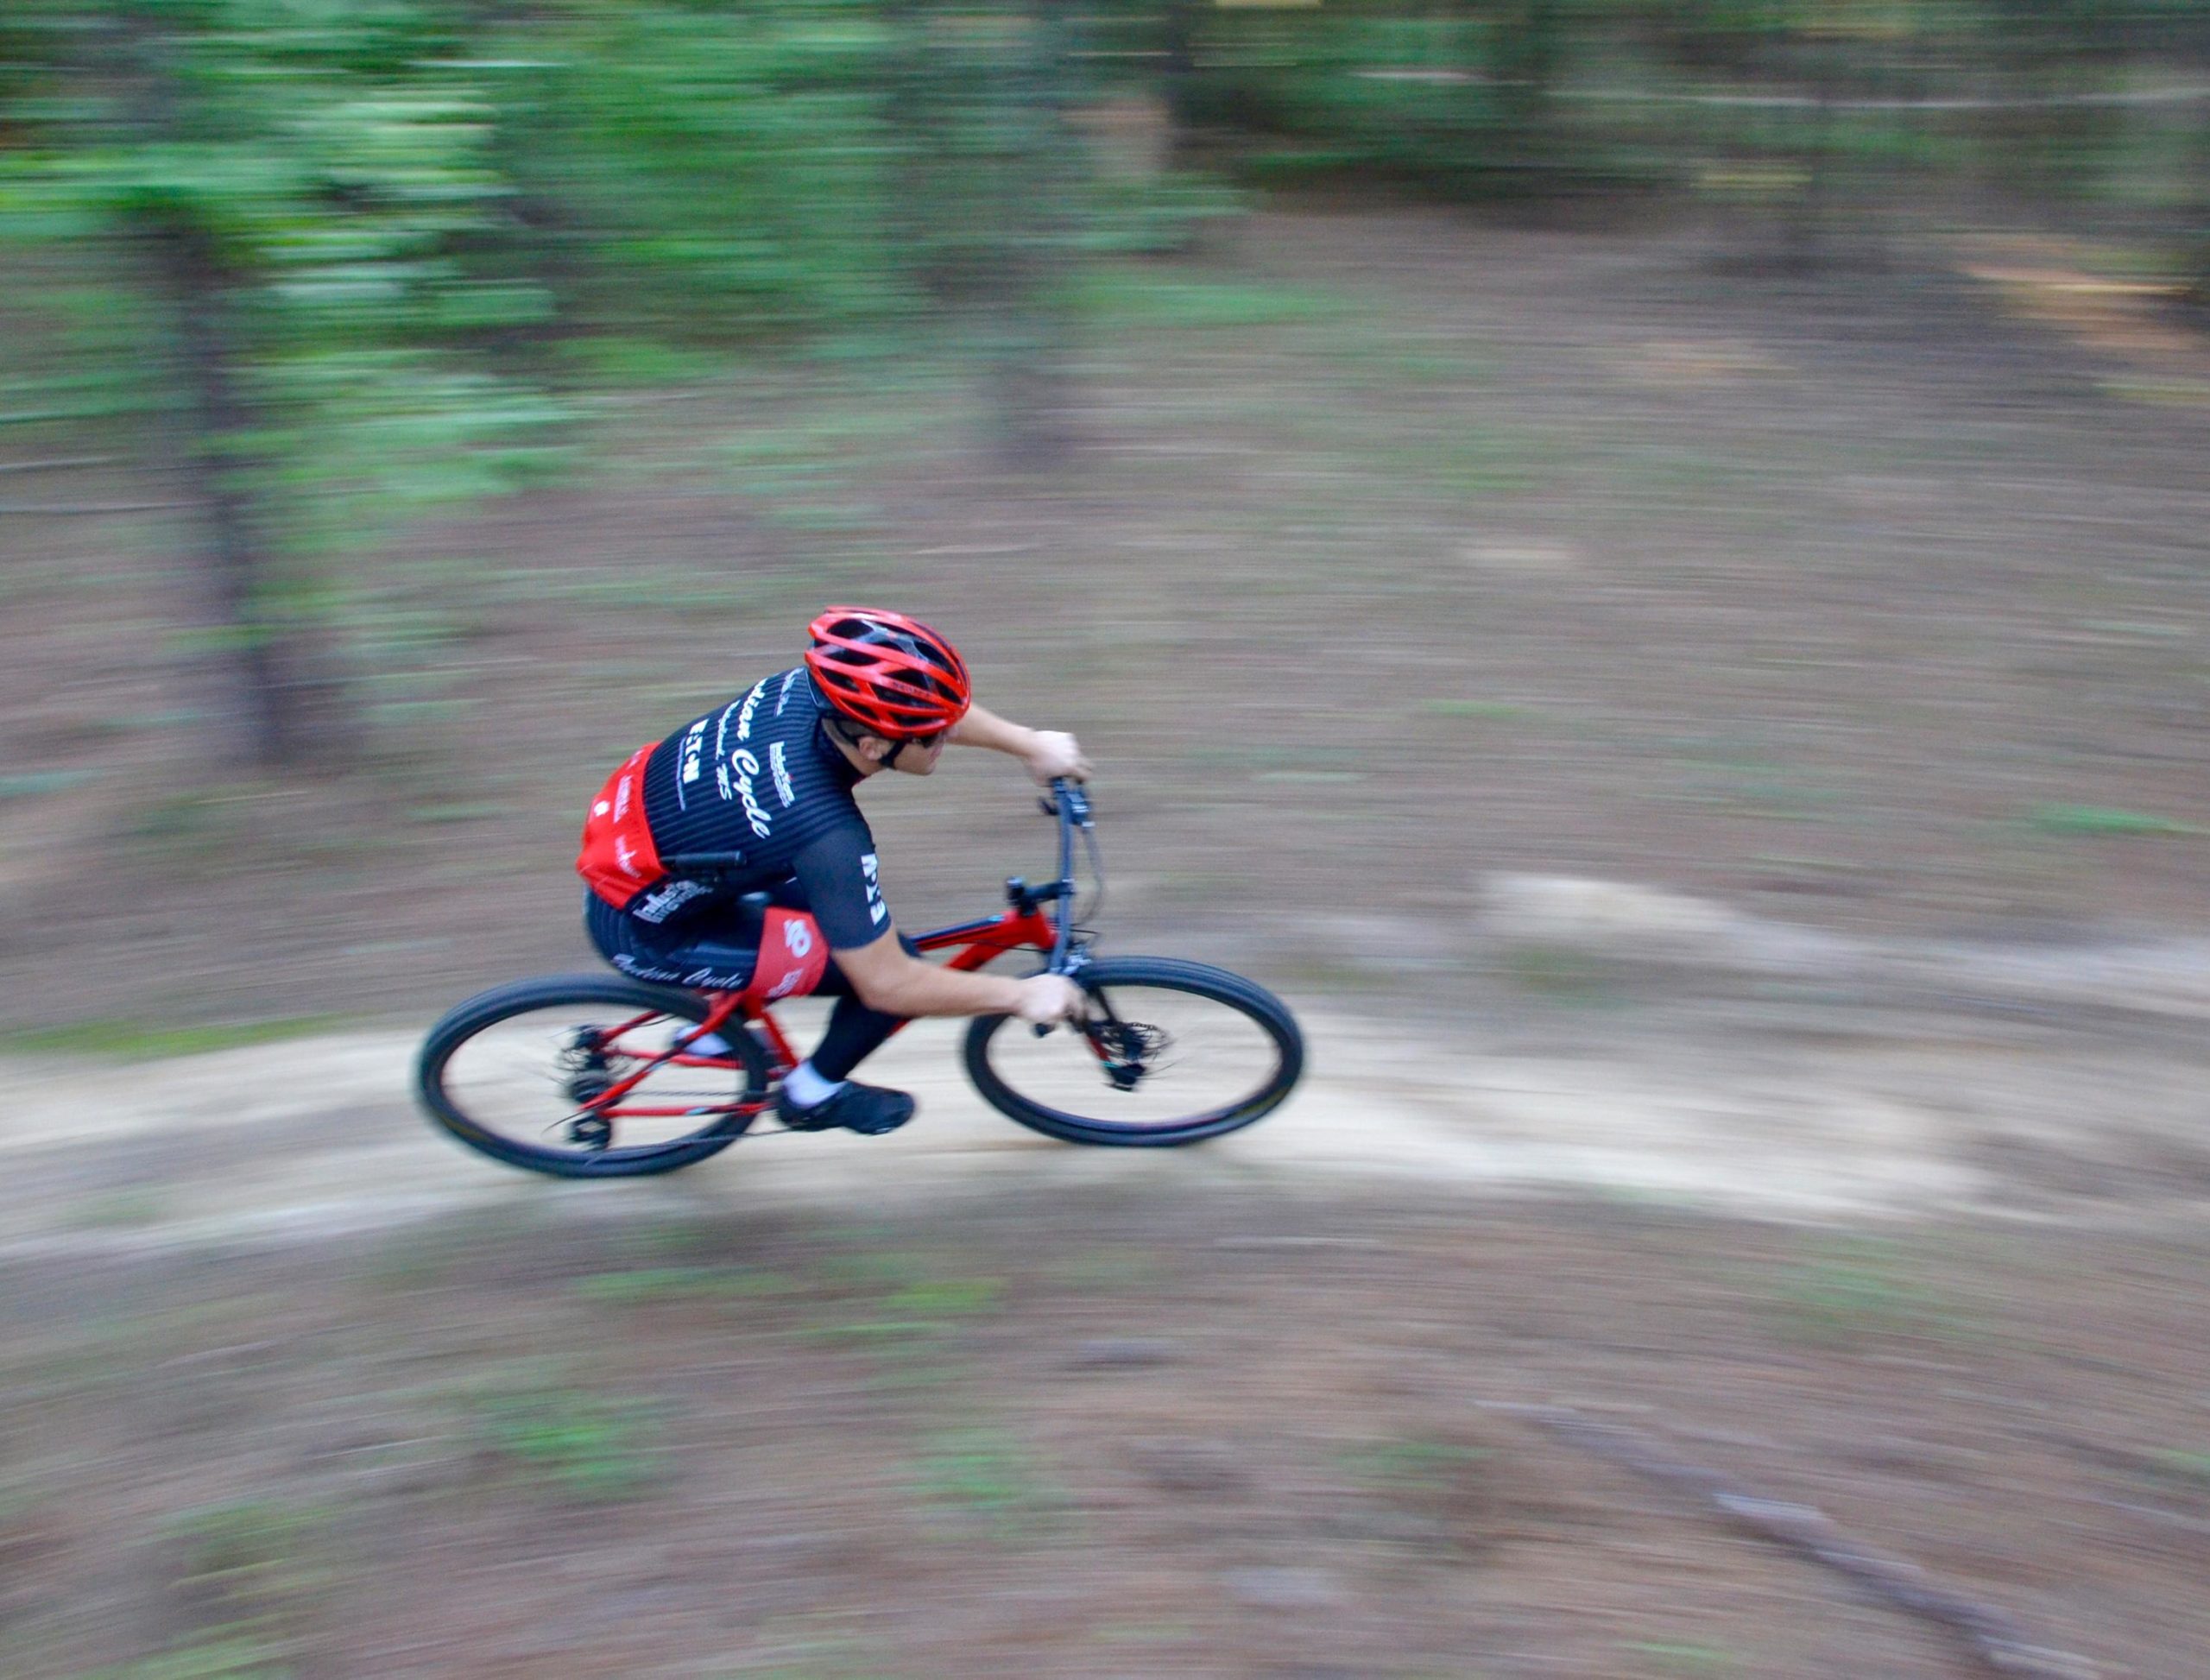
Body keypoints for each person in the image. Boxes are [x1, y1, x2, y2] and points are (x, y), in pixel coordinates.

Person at [577, 605, 1088, 1137]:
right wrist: (1021, 996)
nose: (944, 740)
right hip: (649, 931)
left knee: (841, 921)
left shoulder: (806, 691)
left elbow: (915, 708)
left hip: (660, 855)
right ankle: (811, 1095)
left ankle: (715, 1033)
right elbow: (891, 986)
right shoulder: (828, 838)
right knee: (895, 969)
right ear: (871, 746)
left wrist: (1028, 742)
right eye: (932, 736)